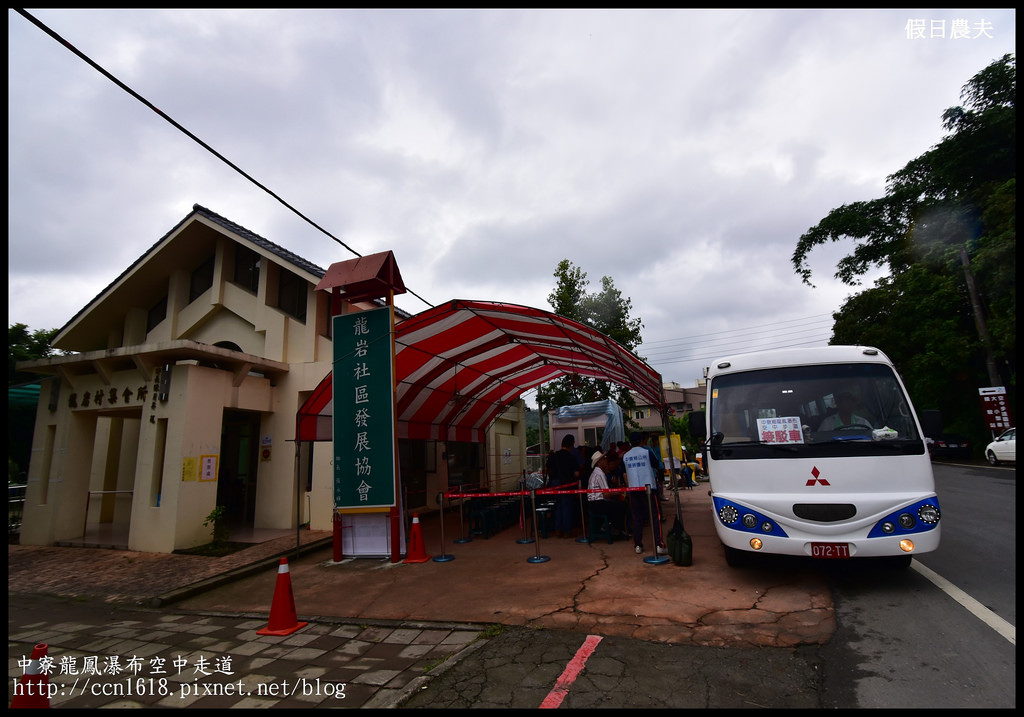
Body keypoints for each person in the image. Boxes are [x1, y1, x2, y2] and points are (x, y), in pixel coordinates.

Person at [622, 432, 667, 555]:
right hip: (649, 489)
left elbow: (624, 473)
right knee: (654, 516)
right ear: (642, 440)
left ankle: (638, 545)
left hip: (634, 489)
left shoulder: (625, 456)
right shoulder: (646, 452)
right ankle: (658, 544)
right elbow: (658, 465)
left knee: (637, 518)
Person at [547, 434, 582, 538]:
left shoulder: (553, 456)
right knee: (567, 506)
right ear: (572, 445)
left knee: (558, 506)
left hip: (555, 483)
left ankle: (558, 530)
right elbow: (576, 474)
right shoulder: (571, 457)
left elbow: (548, 469)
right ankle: (567, 531)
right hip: (567, 484)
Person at [587, 451, 628, 537]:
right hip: (597, 503)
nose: (606, 460)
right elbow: (606, 494)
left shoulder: (597, 472)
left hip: (595, 502)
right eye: (604, 459)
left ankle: (613, 527)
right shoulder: (599, 473)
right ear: (599, 462)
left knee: (617, 503)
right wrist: (618, 492)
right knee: (621, 505)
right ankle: (614, 528)